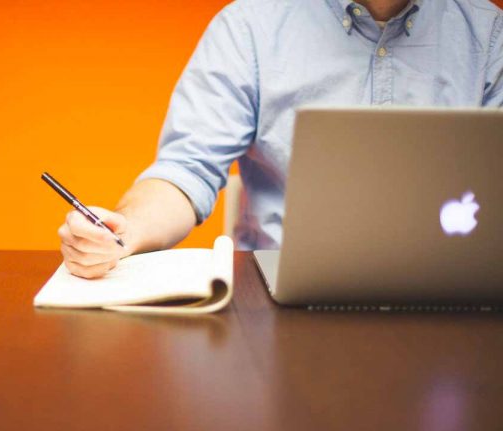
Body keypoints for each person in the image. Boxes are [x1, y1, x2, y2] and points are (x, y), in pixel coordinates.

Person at [58, 0, 503, 278]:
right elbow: (185, 170)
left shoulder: (489, 34)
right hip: (277, 308)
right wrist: (125, 229)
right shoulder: (249, 26)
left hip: (453, 298)